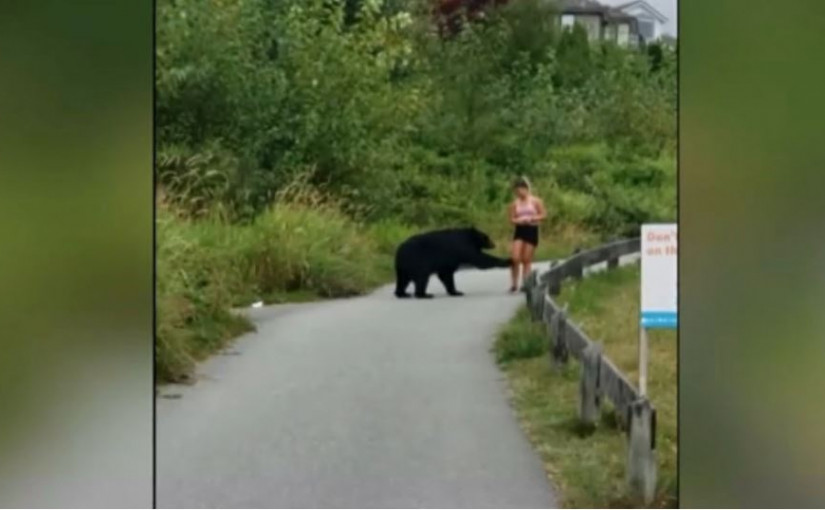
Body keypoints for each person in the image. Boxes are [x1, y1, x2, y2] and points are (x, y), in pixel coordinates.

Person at [508, 176, 546, 292]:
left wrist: (532, 218)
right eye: (517, 191)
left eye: (520, 190)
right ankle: (514, 284)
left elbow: (543, 214)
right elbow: (511, 218)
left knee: (526, 259)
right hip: (520, 230)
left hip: (532, 229)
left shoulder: (536, 201)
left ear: (526, 189)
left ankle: (526, 283)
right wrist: (518, 220)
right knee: (515, 258)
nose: (519, 193)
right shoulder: (515, 203)